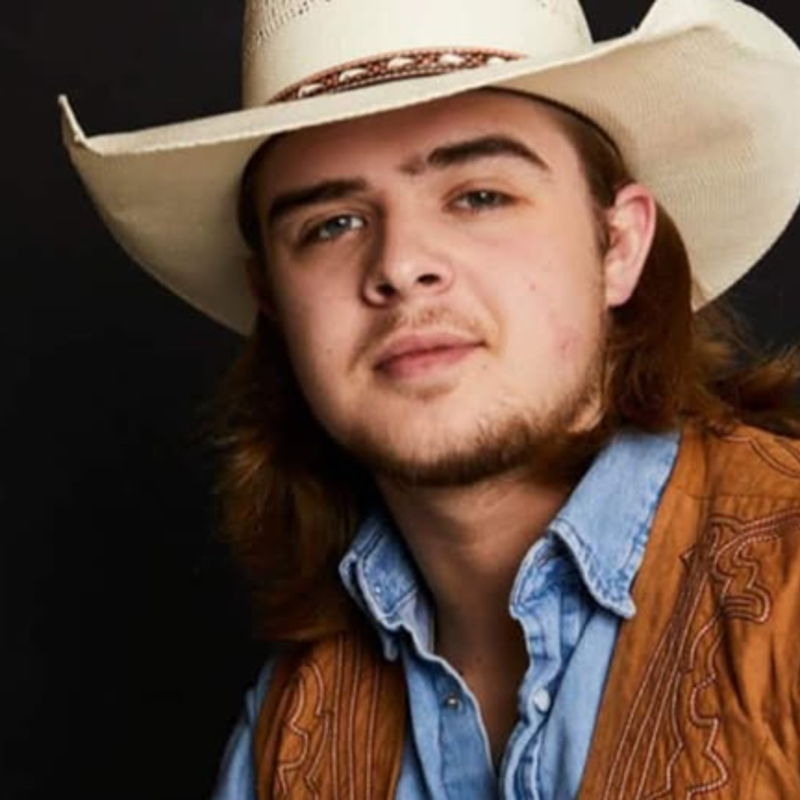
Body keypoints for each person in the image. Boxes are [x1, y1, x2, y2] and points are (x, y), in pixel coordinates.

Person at [60, 0, 800, 796]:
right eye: (331, 224)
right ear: (273, 303)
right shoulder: (290, 732)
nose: (401, 264)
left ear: (617, 245)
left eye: (478, 196)